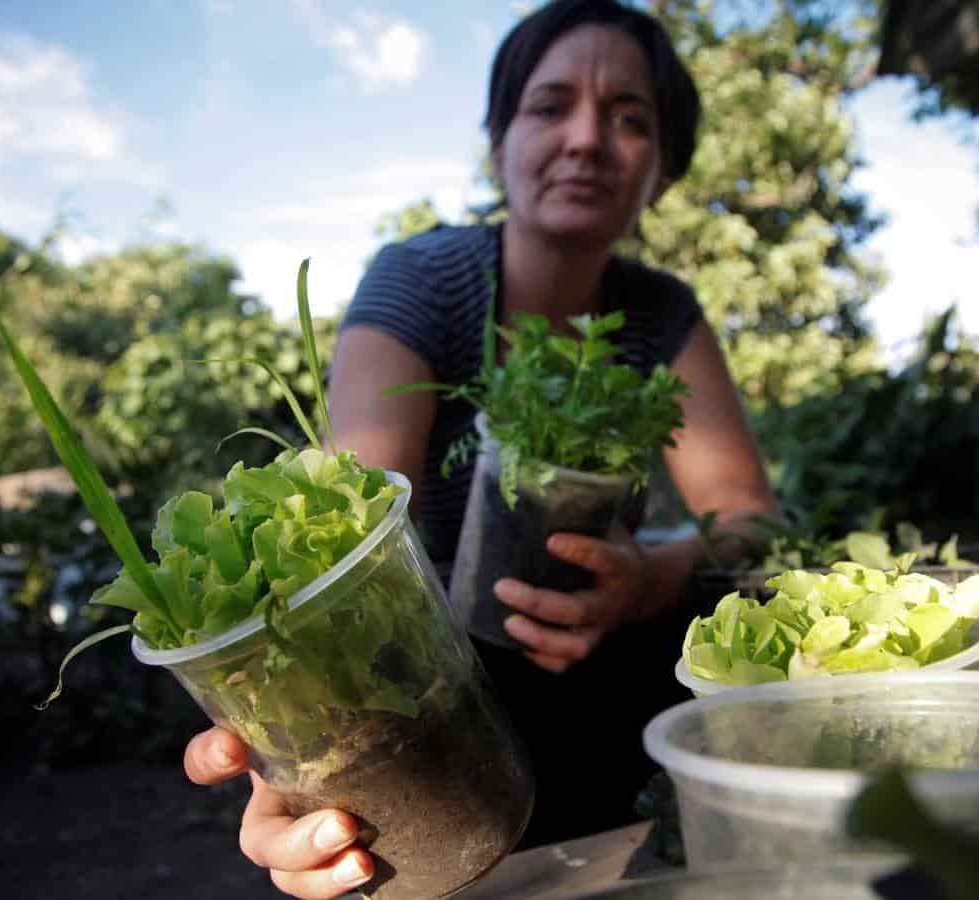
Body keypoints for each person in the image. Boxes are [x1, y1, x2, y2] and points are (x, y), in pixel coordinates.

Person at [183, 1, 779, 896]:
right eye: (549, 107)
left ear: (661, 169)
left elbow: (752, 520)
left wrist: (647, 576)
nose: (587, 138)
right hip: (436, 697)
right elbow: (342, 542)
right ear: (499, 141)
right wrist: (299, 749)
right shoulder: (425, 281)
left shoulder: (660, 314)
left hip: (615, 678)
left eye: (630, 119)